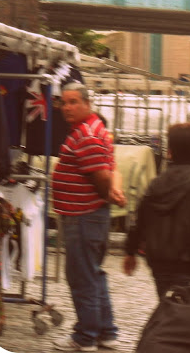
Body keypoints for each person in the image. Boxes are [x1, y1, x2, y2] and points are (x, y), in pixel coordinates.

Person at [52, 82, 126, 352]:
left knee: (82, 277)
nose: (67, 107)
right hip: (87, 215)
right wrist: (114, 190)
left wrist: (111, 192)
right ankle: (106, 332)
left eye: (73, 102)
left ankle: (85, 336)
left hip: (83, 215)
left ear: (87, 103)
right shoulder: (94, 129)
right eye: (64, 102)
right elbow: (112, 168)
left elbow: (102, 177)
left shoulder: (86, 134)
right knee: (94, 274)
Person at [122, 123, 190, 299]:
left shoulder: (157, 182)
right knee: (187, 310)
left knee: (168, 305)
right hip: (189, 264)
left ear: (170, 152)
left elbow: (140, 218)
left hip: (160, 263)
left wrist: (130, 250)